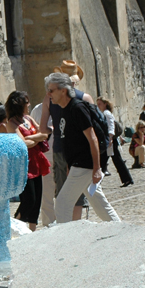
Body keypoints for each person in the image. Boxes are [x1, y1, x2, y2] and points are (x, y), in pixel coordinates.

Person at [46, 72, 120, 224]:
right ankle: (119, 229)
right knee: (98, 202)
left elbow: (92, 138)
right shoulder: (64, 109)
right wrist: (69, 165)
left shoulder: (77, 108)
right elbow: (69, 140)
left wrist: (97, 168)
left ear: (63, 90)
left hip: (84, 164)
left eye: (51, 90)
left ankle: (66, 242)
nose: (48, 94)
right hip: (77, 164)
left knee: (62, 203)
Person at [39, 61, 94, 220]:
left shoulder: (48, 99)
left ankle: (66, 230)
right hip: (81, 151)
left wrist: (55, 129)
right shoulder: (85, 97)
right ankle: (76, 227)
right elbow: (93, 129)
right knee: (80, 195)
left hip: (60, 149)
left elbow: (43, 129)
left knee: (63, 193)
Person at [4, 91, 49, 230]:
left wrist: (30, 138)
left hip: (36, 161)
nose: (29, 105)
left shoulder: (28, 119)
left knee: (37, 200)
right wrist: (35, 137)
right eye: (26, 103)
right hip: (24, 165)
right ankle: (15, 227)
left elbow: (45, 134)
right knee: (29, 200)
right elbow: (23, 144)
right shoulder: (11, 124)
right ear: (19, 105)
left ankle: (32, 230)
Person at [30, 101, 57, 226]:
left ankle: (67, 222)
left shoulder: (66, 106)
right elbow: (34, 131)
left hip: (64, 157)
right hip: (46, 158)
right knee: (47, 195)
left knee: (65, 193)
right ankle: (49, 225)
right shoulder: (37, 109)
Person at [97, 97, 134, 186]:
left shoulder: (106, 113)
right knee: (105, 160)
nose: (98, 106)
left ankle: (127, 179)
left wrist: (110, 139)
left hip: (109, 140)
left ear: (105, 104)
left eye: (100, 104)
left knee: (111, 160)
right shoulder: (104, 113)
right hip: (108, 140)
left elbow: (111, 127)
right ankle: (127, 179)